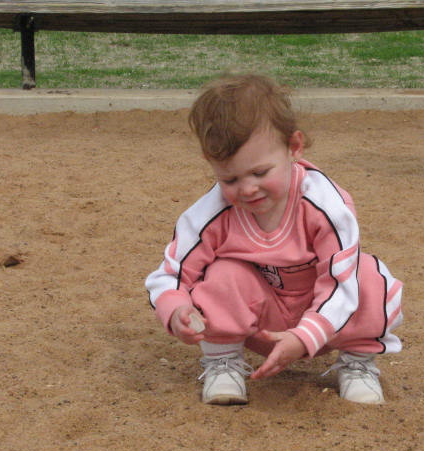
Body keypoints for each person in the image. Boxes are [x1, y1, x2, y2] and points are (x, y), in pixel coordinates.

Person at [145, 74, 403, 406]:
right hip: (259, 325)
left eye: (260, 173)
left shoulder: (324, 206)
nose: (247, 188)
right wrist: (175, 308)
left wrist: (305, 335)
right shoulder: (212, 212)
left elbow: (340, 283)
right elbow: (170, 273)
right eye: (230, 178)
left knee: (367, 276)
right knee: (222, 274)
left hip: (329, 320)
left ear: (293, 147)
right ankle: (222, 363)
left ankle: (357, 365)